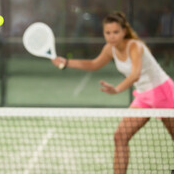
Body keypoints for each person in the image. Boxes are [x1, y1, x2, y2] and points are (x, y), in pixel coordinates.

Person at [51, 11, 174, 174]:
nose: (112, 36)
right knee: (120, 137)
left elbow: (135, 75)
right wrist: (66, 62)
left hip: (163, 93)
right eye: (107, 33)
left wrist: (117, 89)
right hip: (144, 96)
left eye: (115, 32)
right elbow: (93, 64)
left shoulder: (135, 46)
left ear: (124, 31)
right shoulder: (110, 49)